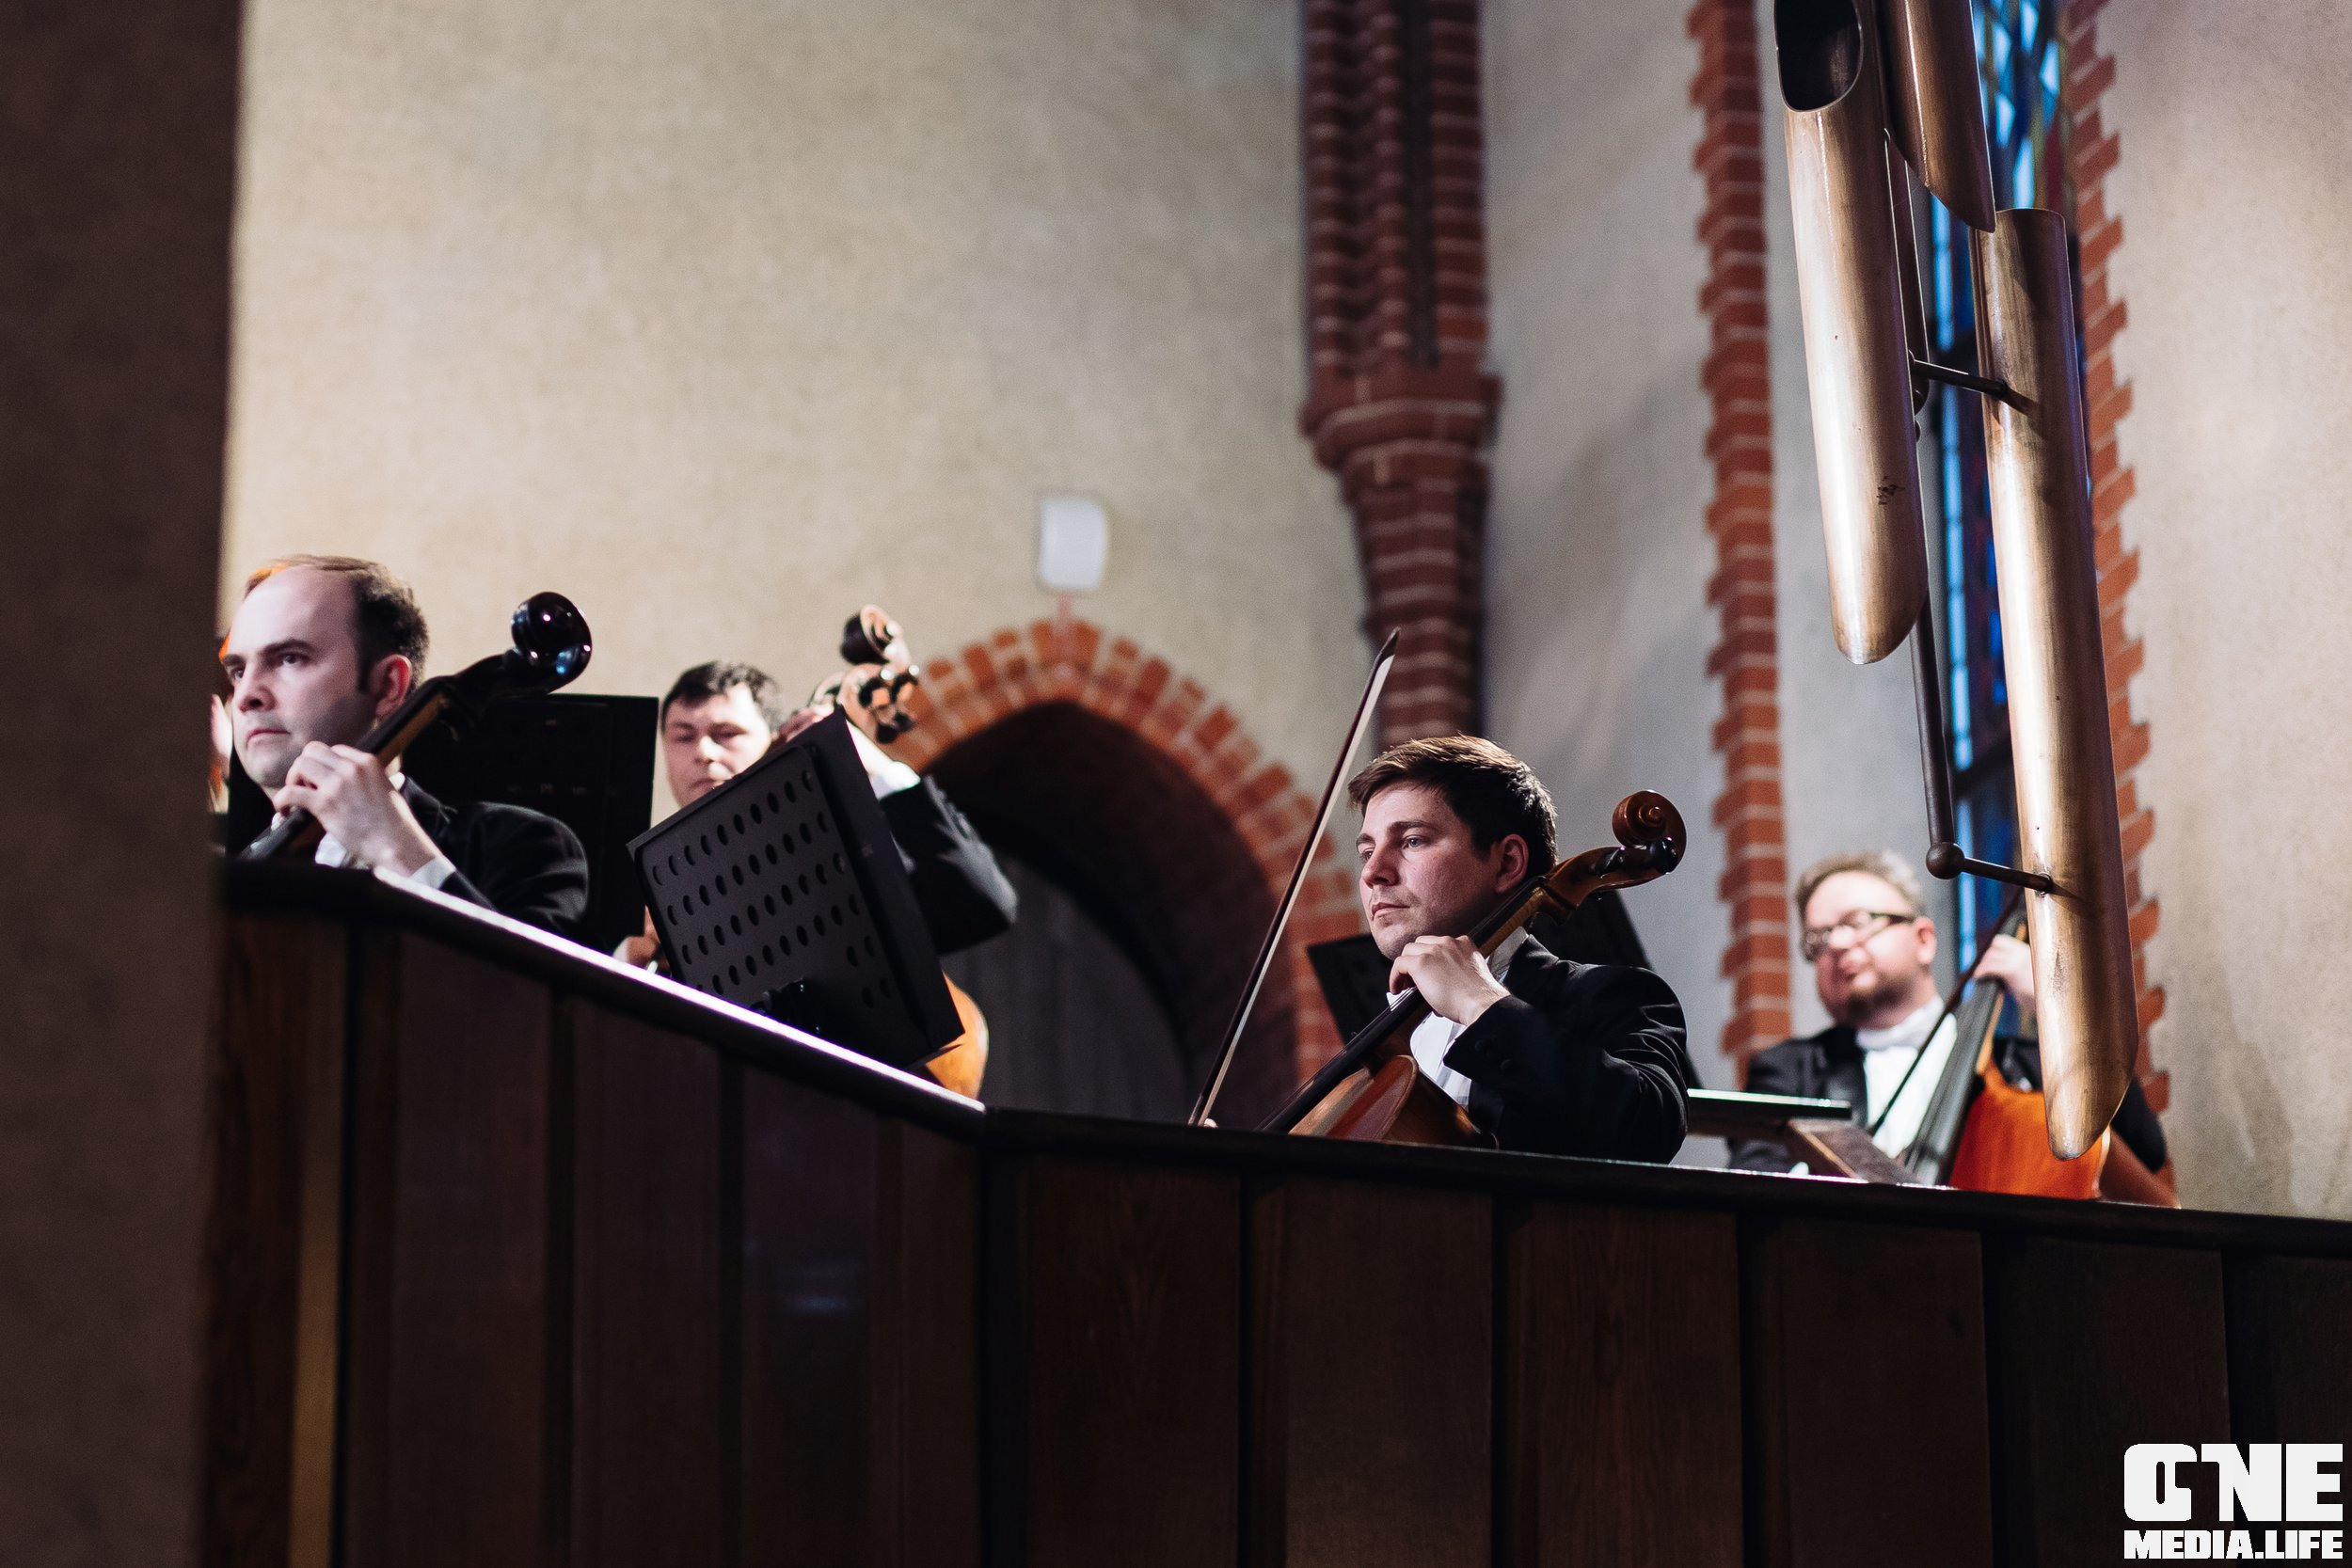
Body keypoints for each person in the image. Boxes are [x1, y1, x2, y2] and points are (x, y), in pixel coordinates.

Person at [1731, 850, 2169, 1186]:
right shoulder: (1790, 1071)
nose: (1838, 944)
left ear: (1924, 939)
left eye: (1858, 921)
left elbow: (2144, 1153)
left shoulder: (2027, 1068)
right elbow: (1760, 1184)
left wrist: (2059, 1016)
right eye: (1819, 938)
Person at [1347, 736, 1691, 1160]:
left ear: (1508, 862)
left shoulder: (1613, 998)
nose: (1373, 872)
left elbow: (1647, 1130)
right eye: (1366, 851)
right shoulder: (1383, 1046)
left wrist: (1481, 1003)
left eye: (1412, 841)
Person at [218, 555, 591, 936]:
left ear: (389, 686)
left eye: (289, 659)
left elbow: (520, 994)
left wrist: (393, 846)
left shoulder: (521, 848)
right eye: (238, 671)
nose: (246, 695)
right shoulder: (217, 881)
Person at [616, 659, 1015, 964]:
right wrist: (628, 956)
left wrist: (873, 767)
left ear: (776, 743)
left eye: (727, 734)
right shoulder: (643, 878)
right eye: (683, 736)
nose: (703, 753)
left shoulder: (837, 862)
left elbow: (981, 903)